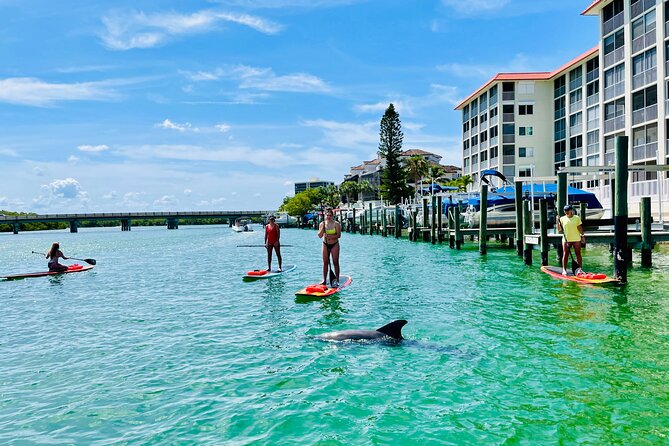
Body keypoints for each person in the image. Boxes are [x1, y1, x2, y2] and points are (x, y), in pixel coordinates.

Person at [557, 204, 586, 276]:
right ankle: (564, 269)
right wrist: (557, 221)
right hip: (566, 239)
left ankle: (579, 269)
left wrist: (583, 236)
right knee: (565, 254)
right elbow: (559, 229)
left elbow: (579, 228)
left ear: (571, 211)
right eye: (565, 210)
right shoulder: (562, 219)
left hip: (576, 239)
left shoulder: (576, 218)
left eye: (567, 210)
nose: (566, 212)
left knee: (578, 254)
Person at [318, 208, 341, 287]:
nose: (329, 217)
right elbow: (319, 235)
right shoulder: (322, 224)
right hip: (325, 244)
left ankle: (337, 280)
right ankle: (324, 280)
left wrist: (331, 236)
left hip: (334, 244)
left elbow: (339, 235)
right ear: (325, 215)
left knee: (335, 262)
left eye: (330, 215)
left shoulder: (336, 224)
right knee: (325, 263)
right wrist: (322, 228)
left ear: (333, 216)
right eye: (327, 215)